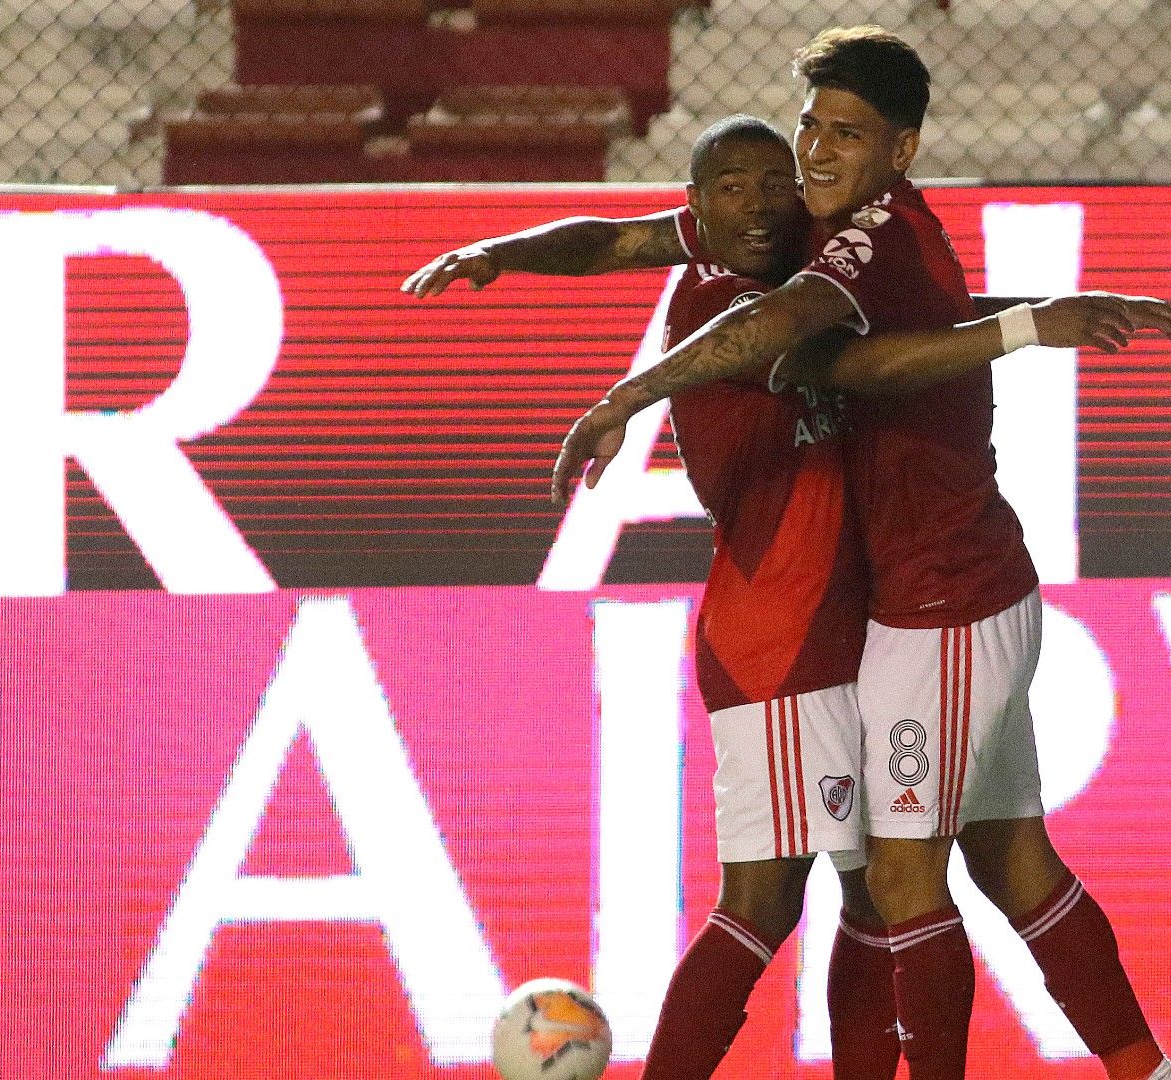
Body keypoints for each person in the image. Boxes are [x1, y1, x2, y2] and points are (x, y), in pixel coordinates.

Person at [547, 27, 1171, 1080]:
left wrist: (631, 392)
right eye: (811, 124)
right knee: (1012, 863)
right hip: (954, 591)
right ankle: (1148, 1072)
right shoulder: (823, 225)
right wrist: (501, 257)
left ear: (902, 150)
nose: (817, 149)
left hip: (938, 604)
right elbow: (640, 245)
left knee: (897, 880)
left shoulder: (866, 240)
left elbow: (805, 335)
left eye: (848, 132)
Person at [404, 114, 1089, 1080]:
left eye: (778, 183)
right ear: (696, 211)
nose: (763, 204)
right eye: (732, 189)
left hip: (858, 629)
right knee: (763, 904)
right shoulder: (727, 309)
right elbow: (832, 342)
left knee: (869, 893)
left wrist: (503, 252)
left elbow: (604, 242)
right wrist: (605, 380)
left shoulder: (806, 256)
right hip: (782, 631)